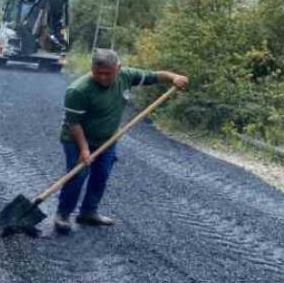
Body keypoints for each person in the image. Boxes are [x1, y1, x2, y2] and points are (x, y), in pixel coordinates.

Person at [54, 49, 188, 233]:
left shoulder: (127, 76)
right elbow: (74, 123)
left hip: (107, 139)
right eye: (97, 72)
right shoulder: (78, 90)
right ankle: (63, 215)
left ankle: (88, 212)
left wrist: (174, 77)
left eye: (107, 73)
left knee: (101, 174)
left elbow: (154, 76)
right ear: (91, 68)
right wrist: (84, 150)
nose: (102, 77)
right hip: (77, 139)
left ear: (118, 68)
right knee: (78, 175)